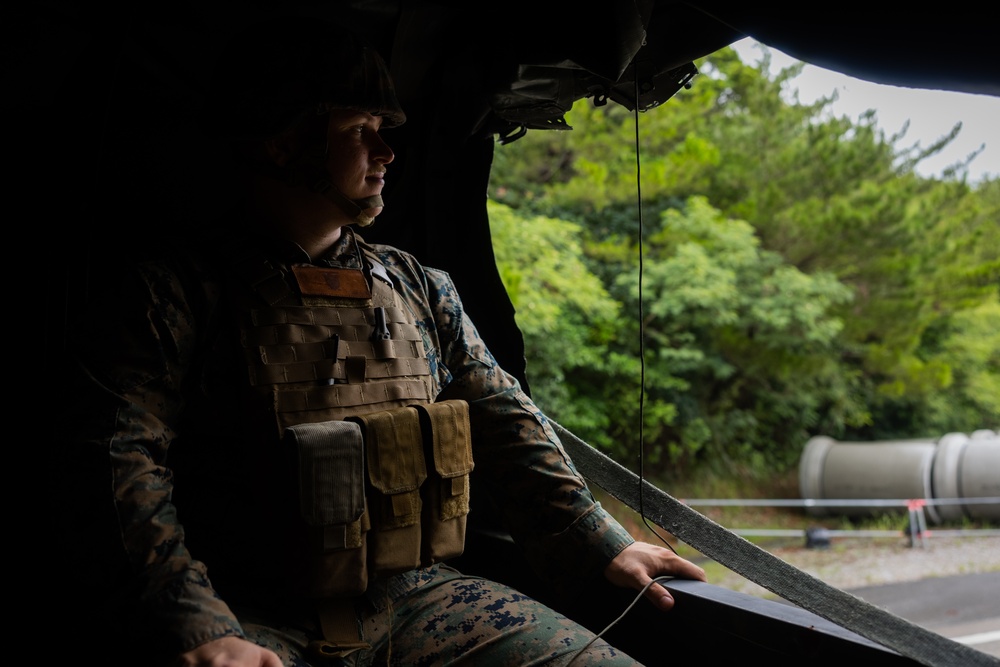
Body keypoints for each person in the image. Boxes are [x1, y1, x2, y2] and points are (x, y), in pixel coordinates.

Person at [56, 16, 706, 667]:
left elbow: (505, 419)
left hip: (418, 599)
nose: (387, 151)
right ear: (283, 143)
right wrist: (196, 626)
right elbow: (116, 465)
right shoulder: (170, 293)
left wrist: (599, 540)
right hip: (247, 611)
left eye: (384, 129)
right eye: (358, 131)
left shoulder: (418, 286)